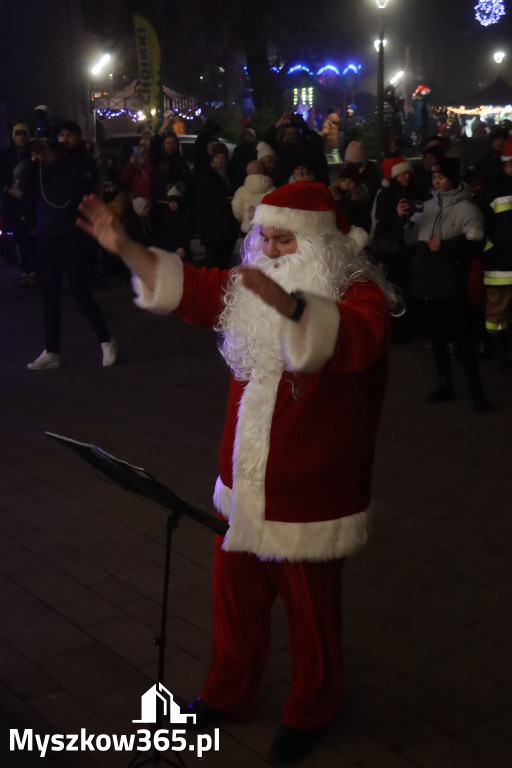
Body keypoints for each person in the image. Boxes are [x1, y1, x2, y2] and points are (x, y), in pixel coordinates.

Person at [77, 180, 399, 766]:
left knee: (311, 613)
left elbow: (360, 339)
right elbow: (194, 289)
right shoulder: (253, 286)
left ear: (321, 244)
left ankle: (312, 709)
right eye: (264, 237)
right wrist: (125, 248)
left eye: (284, 239)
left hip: (309, 495)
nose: (271, 250)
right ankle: (229, 692)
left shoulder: (357, 293)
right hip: (244, 487)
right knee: (233, 595)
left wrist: (296, 309)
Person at [27, 120, 117, 371]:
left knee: (80, 291)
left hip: (73, 235)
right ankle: (52, 351)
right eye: (61, 135)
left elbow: (76, 190)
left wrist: (54, 162)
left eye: (70, 135)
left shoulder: (84, 162)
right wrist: (34, 160)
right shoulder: (48, 162)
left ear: (79, 137)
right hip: (48, 235)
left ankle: (106, 340)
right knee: (49, 295)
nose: (64, 139)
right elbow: (24, 187)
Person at [410, 157, 489, 411]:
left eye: (441, 177)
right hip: (428, 281)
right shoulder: (427, 205)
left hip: (451, 282)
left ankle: (476, 388)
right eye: (434, 177)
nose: (436, 181)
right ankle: (445, 383)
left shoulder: (467, 209)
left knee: (461, 338)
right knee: (437, 338)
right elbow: (410, 237)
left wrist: (446, 247)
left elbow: (475, 245)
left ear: (453, 179)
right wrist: (403, 219)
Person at [478, 136, 512, 374]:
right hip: (499, 267)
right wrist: (494, 251)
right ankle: (499, 351)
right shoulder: (494, 193)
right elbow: (481, 228)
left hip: (500, 263)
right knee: (496, 315)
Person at [0, 122, 38, 284]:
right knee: (19, 237)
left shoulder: (34, 154)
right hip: (13, 203)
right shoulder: (5, 156)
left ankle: (34, 269)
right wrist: (7, 189)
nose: (21, 137)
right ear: (13, 136)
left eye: (24, 134)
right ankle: (24, 269)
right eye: (18, 134)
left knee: (33, 237)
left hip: (31, 201)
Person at [196, 142, 239, 269]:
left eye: (223, 157)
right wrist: (225, 201)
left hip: (228, 225)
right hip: (212, 227)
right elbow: (204, 199)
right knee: (214, 261)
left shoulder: (231, 172)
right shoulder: (206, 175)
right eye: (217, 157)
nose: (220, 160)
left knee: (226, 261)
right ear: (212, 158)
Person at [231, 160, 275, 235]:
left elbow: (237, 210)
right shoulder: (273, 190)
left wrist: (245, 218)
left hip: (247, 230)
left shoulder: (241, 191)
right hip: (268, 231)